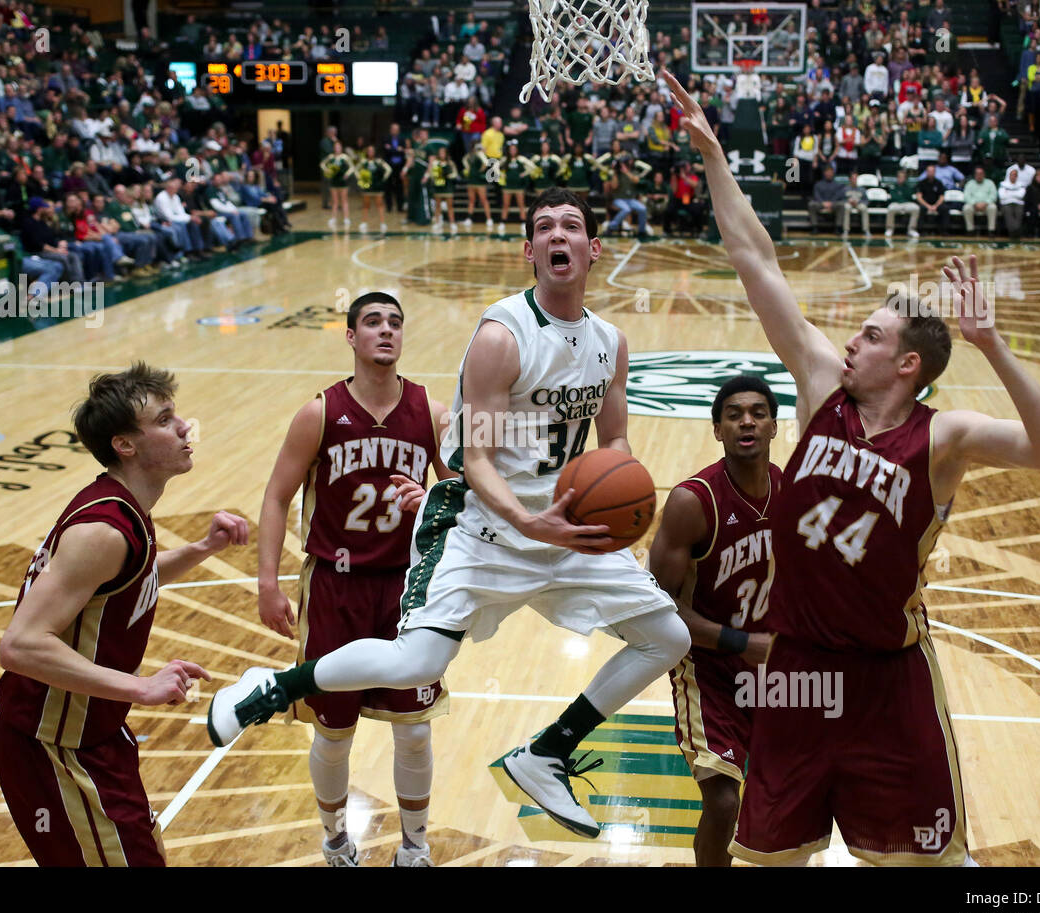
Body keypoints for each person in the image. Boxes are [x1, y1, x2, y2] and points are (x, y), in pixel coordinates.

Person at [666, 68, 1040, 866]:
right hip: (798, 671)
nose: (851, 340)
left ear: (909, 363)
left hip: (891, 683)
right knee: (773, 858)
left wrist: (994, 346)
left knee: (920, 861)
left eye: (872, 335)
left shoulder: (943, 436)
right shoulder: (822, 389)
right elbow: (755, 259)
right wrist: (716, 157)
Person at [207, 188, 692, 841]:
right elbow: (479, 461)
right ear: (530, 251)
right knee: (417, 663)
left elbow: (615, 443)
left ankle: (545, 755)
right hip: (488, 527)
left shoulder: (610, 342)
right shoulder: (502, 336)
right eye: (544, 226)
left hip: (568, 526)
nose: (558, 235)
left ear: (592, 248)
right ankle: (269, 688)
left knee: (669, 636)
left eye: (571, 226)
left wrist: (621, 492)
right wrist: (527, 521)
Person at [0, 363, 249, 866]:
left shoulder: (126, 511)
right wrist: (142, 686)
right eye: (165, 419)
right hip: (55, 747)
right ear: (125, 445)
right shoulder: (103, 530)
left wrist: (202, 547)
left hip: (97, 734)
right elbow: (19, 646)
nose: (183, 428)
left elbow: (130, 579)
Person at [256, 293, 454, 867]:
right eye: (372, 322)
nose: (385, 331)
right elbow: (276, 497)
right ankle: (336, 840)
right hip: (336, 589)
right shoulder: (319, 412)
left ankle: (415, 847)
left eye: (395, 322)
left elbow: (470, 496)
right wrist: (268, 583)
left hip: (409, 590)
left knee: (414, 732)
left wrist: (436, 499)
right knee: (333, 731)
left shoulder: (432, 413)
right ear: (350, 337)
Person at [650, 376, 781, 867]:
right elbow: (658, 610)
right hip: (705, 669)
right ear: (717, 430)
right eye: (733, 414)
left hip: (771, 670)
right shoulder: (692, 502)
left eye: (757, 412)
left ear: (773, 426)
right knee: (724, 801)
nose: (746, 420)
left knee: (790, 794)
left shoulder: (789, 494)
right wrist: (738, 640)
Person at [353, 144, 392, 233]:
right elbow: (355, 169)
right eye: (369, 150)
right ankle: (364, 222)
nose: (370, 152)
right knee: (366, 205)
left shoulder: (379, 161)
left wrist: (383, 179)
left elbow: (389, 169)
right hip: (368, 187)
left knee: (380, 205)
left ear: (374, 152)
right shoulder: (364, 162)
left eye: (372, 150)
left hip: (377, 187)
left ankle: (382, 223)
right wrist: (360, 178)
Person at [321, 142, 354, 229]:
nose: (337, 148)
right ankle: (333, 218)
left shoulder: (344, 157)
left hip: (343, 181)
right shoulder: (331, 157)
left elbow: (352, 167)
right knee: (334, 201)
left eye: (339, 147)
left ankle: (346, 218)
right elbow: (322, 164)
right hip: (334, 181)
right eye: (336, 147)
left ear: (341, 148)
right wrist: (327, 170)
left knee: (344, 200)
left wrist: (347, 174)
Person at [884, 167, 921, 238]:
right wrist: (901, 199)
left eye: (902, 177)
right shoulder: (893, 186)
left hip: (906, 204)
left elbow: (909, 197)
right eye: (899, 177)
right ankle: (890, 229)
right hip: (896, 204)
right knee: (890, 208)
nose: (901, 178)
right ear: (897, 178)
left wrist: (902, 199)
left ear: (905, 178)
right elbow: (893, 197)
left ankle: (911, 229)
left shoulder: (908, 187)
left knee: (916, 208)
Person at [961, 165, 998, 235]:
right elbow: (966, 196)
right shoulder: (970, 183)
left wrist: (986, 203)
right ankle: (970, 230)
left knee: (993, 207)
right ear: (975, 175)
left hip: (986, 205)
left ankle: (991, 230)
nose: (979, 176)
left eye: (981, 174)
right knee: (966, 208)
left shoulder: (990, 183)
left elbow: (994, 195)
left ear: (984, 174)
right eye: (977, 174)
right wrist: (974, 203)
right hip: (974, 205)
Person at [998, 167, 1026, 239]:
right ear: (1009, 175)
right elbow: (1002, 196)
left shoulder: (1021, 184)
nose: (1013, 176)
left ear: (1017, 176)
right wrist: (1015, 193)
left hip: (1019, 203)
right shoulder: (1003, 184)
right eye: (1012, 175)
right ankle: (1014, 231)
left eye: (1015, 175)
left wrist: (1009, 193)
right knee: (1008, 211)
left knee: (1019, 212)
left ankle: (1014, 231)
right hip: (1006, 204)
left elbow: (1021, 195)